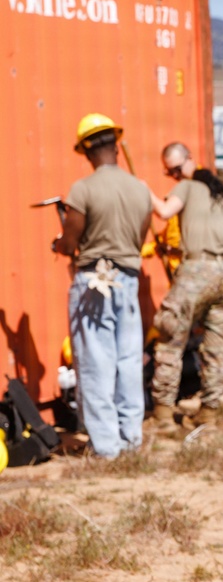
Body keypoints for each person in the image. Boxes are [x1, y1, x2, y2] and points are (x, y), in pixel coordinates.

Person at [53, 113, 152, 459]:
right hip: (127, 280)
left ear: (86, 151)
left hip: (93, 282)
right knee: (127, 361)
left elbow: (70, 243)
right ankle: (130, 440)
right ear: (115, 145)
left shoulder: (84, 189)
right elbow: (138, 241)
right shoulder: (140, 190)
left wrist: (61, 244)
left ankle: (107, 449)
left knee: (95, 364)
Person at [148, 142, 223, 433]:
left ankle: (162, 415)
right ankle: (208, 413)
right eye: (170, 171)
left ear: (189, 161)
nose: (175, 176)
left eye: (176, 169)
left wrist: (141, 189)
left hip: (197, 271)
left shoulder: (188, 187)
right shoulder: (222, 194)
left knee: (170, 335)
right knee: (217, 347)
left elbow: (163, 211)